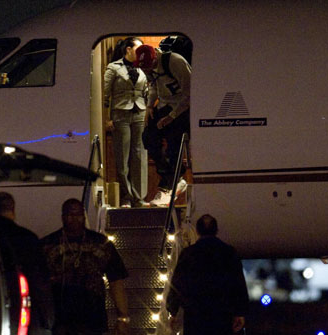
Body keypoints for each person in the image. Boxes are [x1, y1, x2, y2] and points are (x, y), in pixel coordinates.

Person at [40, 198, 129, 335]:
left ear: (84, 216)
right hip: (60, 318)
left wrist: (122, 317)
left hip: (93, 316)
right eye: (70, 214)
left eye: (78, 214)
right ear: (63, 217)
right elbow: (39, 283)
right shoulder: (48, 244)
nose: (74, 219)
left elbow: (116, 281)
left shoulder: (101, 243)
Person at [166, 214, 249, 335]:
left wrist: (172, 310)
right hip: (222, 314)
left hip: (195, 315)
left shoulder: (188, 254)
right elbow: (238, 283)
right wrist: (240, 311)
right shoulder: (229, 252)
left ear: (198, 231)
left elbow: (177, 282)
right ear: (216, 230)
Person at [133, 44, 191, 207]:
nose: (147, 70)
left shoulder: (175, 62)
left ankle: (172, 183)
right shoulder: (150, 70)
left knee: (174, 142)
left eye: (149, 66)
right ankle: (169, 178)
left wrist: (171, 117)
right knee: (148, 137)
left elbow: (189, 92)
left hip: (183, 107)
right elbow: (153, 87)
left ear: (155, 58)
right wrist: (150, 106)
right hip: (165, 106)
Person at [0, 192, 54, 335]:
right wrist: (47, 319)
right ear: (13, 210)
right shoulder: (27, 238)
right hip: (29, 314)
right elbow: (41, 282)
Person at [103, 37, 148, 208]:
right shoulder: (114, 68)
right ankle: (126, 197)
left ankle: (139, 197)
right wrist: (107, 118)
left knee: (139, 155)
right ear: (128, 49)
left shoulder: (143, 67)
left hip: (139, 113)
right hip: (120, 114)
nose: (141, 52)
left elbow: (146, 90)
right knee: (122, 156)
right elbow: (105, 95)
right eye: (138, 48)